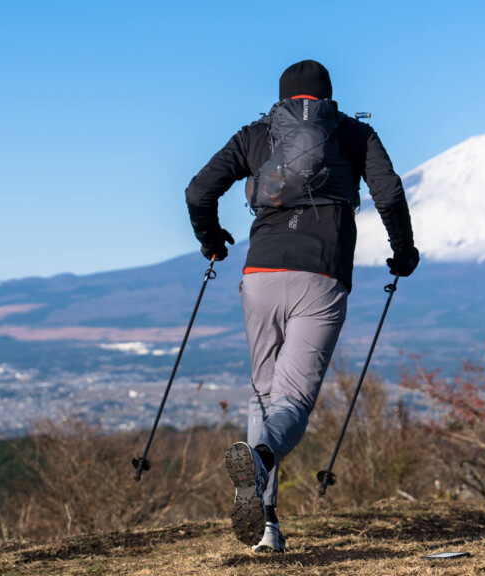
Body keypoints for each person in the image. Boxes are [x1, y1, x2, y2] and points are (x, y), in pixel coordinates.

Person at [184, 60, 419, 553]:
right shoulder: (354, 133)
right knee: (292, 401)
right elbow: (389, 193)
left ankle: (265, 525)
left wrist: (212, 240)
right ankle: (262, 458)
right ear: (328, 98)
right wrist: (403, 252)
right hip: (322, 274)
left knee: (264, 394)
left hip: (260, 275)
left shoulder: (256, 133)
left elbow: (198, 191)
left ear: (283, 99)